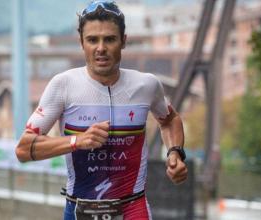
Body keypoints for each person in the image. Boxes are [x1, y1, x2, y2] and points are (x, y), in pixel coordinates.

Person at [15, 1, 187, 219]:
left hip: (133, 208)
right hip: (81, 209)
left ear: (123, 41)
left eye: (110, 39)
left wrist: (175, 153)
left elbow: (170, 120)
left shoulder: (147, 85)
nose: (101, 48)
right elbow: (23, 149)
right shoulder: (63, 85)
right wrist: (78, 141)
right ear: (81, 42)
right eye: (92, 40)